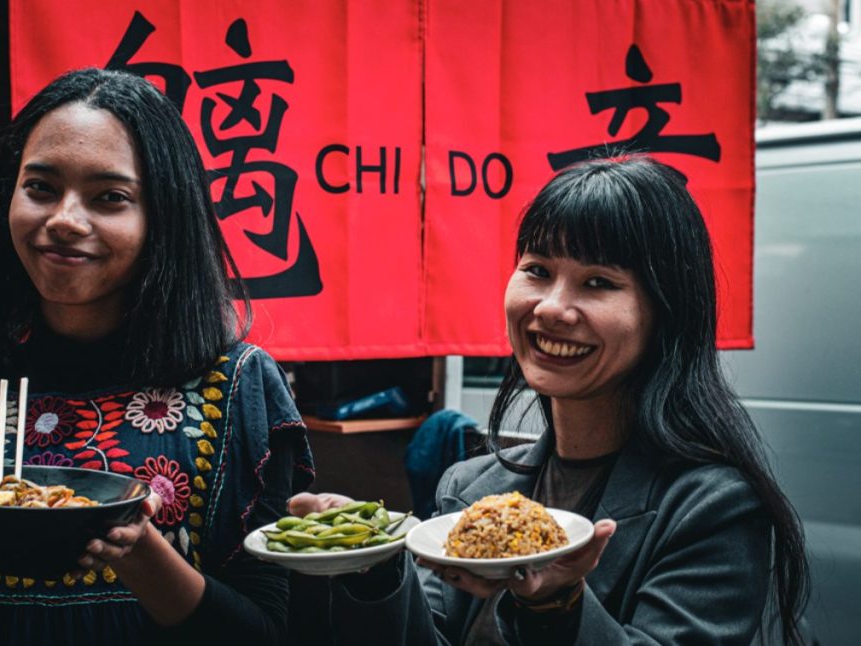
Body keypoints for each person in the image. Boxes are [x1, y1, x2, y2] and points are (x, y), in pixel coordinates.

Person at [291, 156, 809, 644]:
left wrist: (557, 604)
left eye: (598, 282)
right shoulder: (470, 488)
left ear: (665, 314)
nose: (553, 307)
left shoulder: (712, 506)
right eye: (537, 269)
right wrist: (374, 558)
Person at [0, 68, 313, 645]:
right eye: (40, 187)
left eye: (110, 197)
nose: (64, 220)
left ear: (163, 217)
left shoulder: (236, 389)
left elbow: (270, 631)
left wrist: (138, 550)